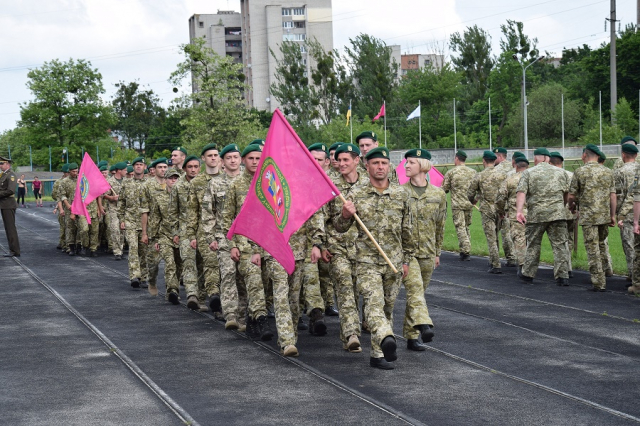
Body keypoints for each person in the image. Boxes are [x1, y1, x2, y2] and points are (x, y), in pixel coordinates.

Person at [336, 146, 414, 370]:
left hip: (394, 261)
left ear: (389, 166)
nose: (380, 167)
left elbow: (408, 231)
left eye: (384, 163)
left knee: (388, 307)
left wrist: (406, 260)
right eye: (375, 163)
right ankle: (386, 338)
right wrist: (344, 214)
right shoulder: (357, 194)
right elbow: (340, 227)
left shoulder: (401, 194)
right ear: (366, 166)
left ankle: (378, 355)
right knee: (373, 304)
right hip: (367, 262)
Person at [221, 144, 273, 341]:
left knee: (267, 283)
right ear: (243, 160)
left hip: (267, 243)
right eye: (250, 158)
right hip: (244, 244)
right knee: (253, 279)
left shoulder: (269, 184)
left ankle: (252, 317)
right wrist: (233, 244)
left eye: (258, 159)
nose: (254, 162)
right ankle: (261, 318)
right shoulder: (235, 186)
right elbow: (227, 219)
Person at [324, 143, 368, 353]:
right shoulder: (328, 184)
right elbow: (320, 217)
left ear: (356, 160)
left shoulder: (369, 184)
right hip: (337, 245)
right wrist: (319, 244)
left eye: (345, 160)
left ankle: (366, 324)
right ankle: (351, 334)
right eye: (338, 160)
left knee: (362, 289)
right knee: (344, 287)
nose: (340, 164)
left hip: (364, 248)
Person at [401, 149, 445, 351]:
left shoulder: (438, 194)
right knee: (415, 289)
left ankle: (411, 336)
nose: (406, 166)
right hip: (407, 253)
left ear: (422, 165)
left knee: (418, 295)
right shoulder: (400, 193)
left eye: (411, 162)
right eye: (406, 162)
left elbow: (440, 225)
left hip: (428, 251)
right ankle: (425, 325)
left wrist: (437, 252)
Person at [202, 144, 247, 331]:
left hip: (246, 237)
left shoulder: (250, 182)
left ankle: (244, 314)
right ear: (222, 161)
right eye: (229, 158)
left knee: (244, 277)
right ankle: (230, 314)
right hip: (224, 236)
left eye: (236, 157)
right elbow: (207, 212)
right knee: (228, 274)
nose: (233, 161)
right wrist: (210, 237)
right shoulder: (215, 184)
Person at [515, 148, 571, 285]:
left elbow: (521, 192)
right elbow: (567, 193)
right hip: (557, 214)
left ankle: (528, 274)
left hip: (536, 215)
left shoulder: (528, 173)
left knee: (533, 244)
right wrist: (561, 206)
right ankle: (562, 276)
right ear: (548, 158)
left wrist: (519, 211)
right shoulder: (561, 172)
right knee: (559, 246)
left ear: (535, 159)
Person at [567, 144, 616, 291]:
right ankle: (606, 270)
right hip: (604, 216)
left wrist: (572, 206)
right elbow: (612, 195)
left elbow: (571, 195)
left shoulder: (580, 172)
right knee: (601, 244)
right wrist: (612, 215)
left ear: (584, 155)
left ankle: (598, 282)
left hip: (589, 217)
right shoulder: (608, 171)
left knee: (592, 248)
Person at [187, 144, 223, 315]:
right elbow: (192, 210)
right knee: (211, 264)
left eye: (216, 155)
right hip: (204, 231)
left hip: (225, 230)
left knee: (225, 268)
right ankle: (214, 296)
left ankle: (218, 298)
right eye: (210, 155)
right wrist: (191, 234)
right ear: (203, 158)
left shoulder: (227, 179)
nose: (213, 158)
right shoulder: (196, 183)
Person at [307, 143, 338, 317]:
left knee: (327, 275)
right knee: (310, 276)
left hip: (331, 235)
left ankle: (328, 303)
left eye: (319, 159)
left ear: (327, 161)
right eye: (313, 159)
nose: (316, 162)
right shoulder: (301, 182)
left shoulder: (335, 184)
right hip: (308, 237)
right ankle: (314, 312)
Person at [168, 155, 203, 310]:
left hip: (203, 229)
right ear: (184, 169)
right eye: (190, 167)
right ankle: (192, 294)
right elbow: (172, 211)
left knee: (203, 263)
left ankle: (202, 295)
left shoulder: (204, 184)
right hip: (184, 230)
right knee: (188, 262)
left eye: (196, 166)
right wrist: (175, 232)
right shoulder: (177, 186)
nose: (193, 169)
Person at [148, 168, 182, 303]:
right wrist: (154, 238)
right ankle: (172, 290)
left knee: (179, 265)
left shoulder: (184, 196)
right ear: (166, 180)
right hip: (165, 235)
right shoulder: (159, 197)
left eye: (176, 178)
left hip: (180, 236)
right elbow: (155, 218)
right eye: (171, 178)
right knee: (170, 263)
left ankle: (174, 285)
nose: (173, 180)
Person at [467, 151, 503, 274]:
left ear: (484, 161)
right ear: (494, 160)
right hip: (500, 209)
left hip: (487, 209)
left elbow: (470, 193)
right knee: (496, 234)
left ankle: (496, 264)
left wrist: (473, 200)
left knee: (491, 237)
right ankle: (494, 259)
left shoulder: (480, 175)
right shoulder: (503, 174)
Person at [118, 157, 149, 288]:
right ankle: (134, 275)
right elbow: (121, 202)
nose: (138, 167)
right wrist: (122, 219)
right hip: (130, 220)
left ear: (145, 167)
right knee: (133, 248)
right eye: (136, 164)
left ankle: (144, 276)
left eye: (140, 164)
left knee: (144, 250)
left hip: (145, 223)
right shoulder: (126, 183)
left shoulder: (150, 184)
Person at [141, 158, 169, 296]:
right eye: (160, 167)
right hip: (154, 230)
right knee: (153, 263)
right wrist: (144, 233)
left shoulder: (173, 183)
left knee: (172, 263)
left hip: (170, 229)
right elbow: (144, 210)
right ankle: (151, 281)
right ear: (154, 169)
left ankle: (172, 289)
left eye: (165, 167)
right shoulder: (147, 186)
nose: (163, 169)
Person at [496, 154, 529, 273]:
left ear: (516, 166)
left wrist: (501, 211)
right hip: (535, 214)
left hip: (517, 214)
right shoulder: (534, 178)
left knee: (519, 239)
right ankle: (532, 266)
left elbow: (500, 198)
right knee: (533, 241)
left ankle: (522, 266)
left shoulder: (510, 179)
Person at [442, 150, 477, 260]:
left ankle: (465, 250)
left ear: (457, 158)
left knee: (460, 227)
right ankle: (465, 248)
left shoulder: (452, 173)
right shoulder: (473, 172)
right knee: (466, 226)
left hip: (457, 204)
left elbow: (445, 189)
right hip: (469, 203)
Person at [548, 152, 577, 277]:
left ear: (550, 163)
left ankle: (565, 267)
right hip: (572, 211)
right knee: (569, 239)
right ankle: (568, 267)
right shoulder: (571, 175)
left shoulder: (552, 176)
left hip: (558, 212)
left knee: (560, 241)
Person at [614, 144, 639, 282]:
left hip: (628, 215)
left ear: (623, 154)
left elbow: (617, 196)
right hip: (638, 210)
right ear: (636, 155)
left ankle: (633, 277)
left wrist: (619, 215)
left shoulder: (619, 172)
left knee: (630, 247)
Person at [492, 147, 517, 267]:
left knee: (495, 232)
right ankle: (512, 257)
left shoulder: (496, 170)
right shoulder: (514, 167)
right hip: (513, 205)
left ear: (499, 156)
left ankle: (494, 260)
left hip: (499, 204)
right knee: (510, 233)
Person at [104, 162, 127, 260]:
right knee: (115, 229)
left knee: (122, 230)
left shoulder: (127, 181)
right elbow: (104, 195)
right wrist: (112, 198)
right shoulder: (110, 182)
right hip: (114, 209)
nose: (126, 172)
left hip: (125, 210)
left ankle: (121, 249)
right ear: (119, 171)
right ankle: (117, 251)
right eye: (125, 170)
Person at [59, 163, 83, 256]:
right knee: (70, 227)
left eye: (76, 171)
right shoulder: (64, 181)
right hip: (69, 207)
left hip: (80, 207)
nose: (75, 173)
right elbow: (62, 195)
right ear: (69, 171)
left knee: (80, 227)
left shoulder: (80, 180)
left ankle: (79, 246)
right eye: (73, 171)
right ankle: (71, 247)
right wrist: (67, 205)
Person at [0, 156, 20, 257]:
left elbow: (10, 190)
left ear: (8, 164)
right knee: (8, 228)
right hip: (4, 204)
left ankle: (15, 250)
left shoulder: (11, 175)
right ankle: (12, 249)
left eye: (1, 164)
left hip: (8, 203)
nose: (0, 166)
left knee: (10, 228)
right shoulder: (4, 174)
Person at [52, 164, 69, 251]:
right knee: (63, 226)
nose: (69, 174)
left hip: (71, 206)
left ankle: (70, 243)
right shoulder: (58, 182)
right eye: (67, 172)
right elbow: (55, 195)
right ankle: (63, 243)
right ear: (64, 173)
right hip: (62, 205)